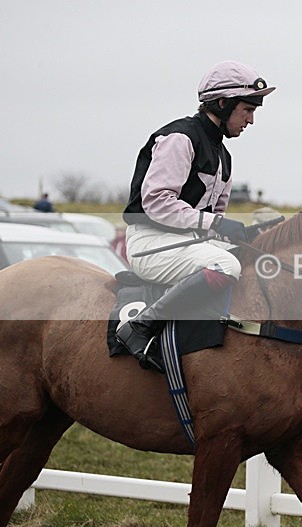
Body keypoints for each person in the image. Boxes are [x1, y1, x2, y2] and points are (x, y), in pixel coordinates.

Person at [116, 60, 276, 373]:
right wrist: (215, 224)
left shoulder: (223, 157)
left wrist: (240, 234)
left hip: (186, 243)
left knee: (248, 259)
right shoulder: (180, 138)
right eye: (248, 109)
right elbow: (156, 202)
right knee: (225, 265)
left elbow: (211, 221)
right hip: (150, 242)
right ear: (222, 104)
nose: (251, 120)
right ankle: (141, 327)